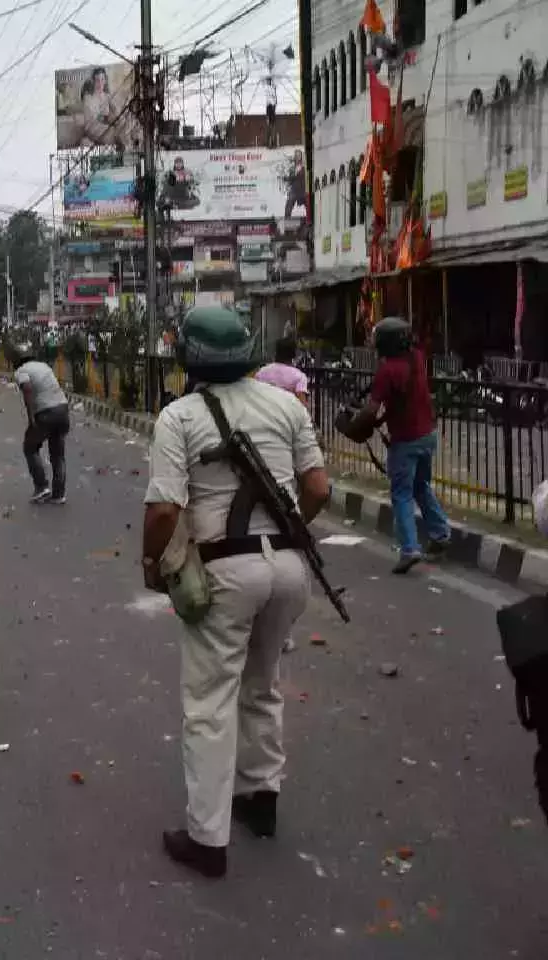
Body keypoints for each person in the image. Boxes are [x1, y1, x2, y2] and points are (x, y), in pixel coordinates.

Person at [141, 306, 330, 879]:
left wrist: (152, 563)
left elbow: (164, 511)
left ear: (188, 357)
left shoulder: (178, 416)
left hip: (225, 571)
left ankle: (207, 838)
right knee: (263, 683)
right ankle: (260, 798)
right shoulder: (285, 405)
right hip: (290, 569)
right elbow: (317, 487)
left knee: (209, 703)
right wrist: (290, 528)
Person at [345, 317, 450, 574]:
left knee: (401, 493)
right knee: (421, 486)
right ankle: (440, 533)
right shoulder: (417, 358)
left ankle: (410, 548)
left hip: (406, 439)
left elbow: (371, 410)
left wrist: (354, 422)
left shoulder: (388, 371)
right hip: (428, 434)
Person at [14, 352, 71, 505]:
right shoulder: (44, 366)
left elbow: (27, 389)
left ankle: (41, 487)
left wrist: (31, 417)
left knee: (30, 447)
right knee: (58, 454)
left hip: (46, 412)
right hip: (62, 409)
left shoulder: (21, 371)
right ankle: (59, 494)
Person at [254, 337, 309, 407]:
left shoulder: (261, 373)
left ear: (276, 352)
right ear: (294, 354)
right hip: (288, 412)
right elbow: (302, 405)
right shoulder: (299, 376)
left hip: (264, 411)